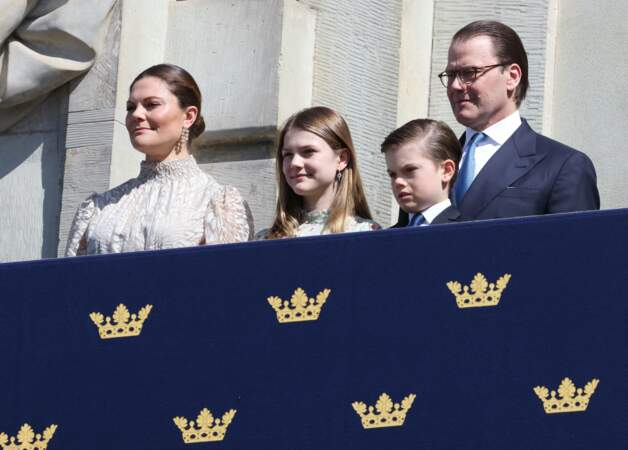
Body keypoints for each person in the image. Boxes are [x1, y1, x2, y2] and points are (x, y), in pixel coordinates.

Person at [399, 20, 599, 224]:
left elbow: (575, 252)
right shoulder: (431, 164)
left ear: (512, 76)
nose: (456, 86)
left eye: (470, 73)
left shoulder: (562, 166)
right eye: (451, 75)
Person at [65, 64, 251, 256]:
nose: (136, 114)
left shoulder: (216, 202)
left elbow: (227, 281)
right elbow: (71, 282)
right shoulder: (98, 206)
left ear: (188, 116)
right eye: (130, 107)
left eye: (151, 104)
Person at [258, 106, 379, 238]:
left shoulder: (366, 234)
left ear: (342, 159)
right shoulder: (264, 239)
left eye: (308, 151)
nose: (294, 163)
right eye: (287, 154)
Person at [382, 119, 461, 227]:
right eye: (392, 174)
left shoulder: (468, 232)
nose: (398, 182)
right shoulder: (384, 238)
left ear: (446, 171)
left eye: (410, 170)